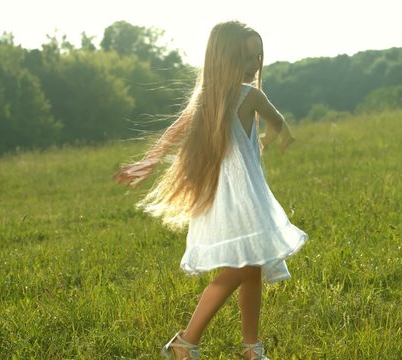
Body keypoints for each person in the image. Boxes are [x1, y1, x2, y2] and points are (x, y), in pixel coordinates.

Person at [114, 20, 308, 360]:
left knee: (251, 268)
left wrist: (147, 163)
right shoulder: (247, 96)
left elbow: (174, 133)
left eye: (258, 57)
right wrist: (270, 140)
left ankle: (251, 346)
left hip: (226, 197)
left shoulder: (214, 97)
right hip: (239, 199)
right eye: (247, 58)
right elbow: (282, 127)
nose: (255, 65)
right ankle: (184, 342)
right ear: (224, 58)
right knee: (242, 269)